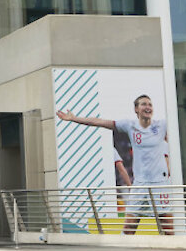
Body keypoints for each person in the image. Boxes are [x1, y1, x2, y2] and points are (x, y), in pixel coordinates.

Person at [56, 95, 174, 235]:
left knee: (167, 228)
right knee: (129, 228)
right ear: (136, 109)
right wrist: (74, 118)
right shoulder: (130, 125)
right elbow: (99, 122)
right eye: (143, 104)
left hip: (160, 184)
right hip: (140, 184)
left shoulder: (162, 125)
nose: (148, 107)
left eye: (150, 104)